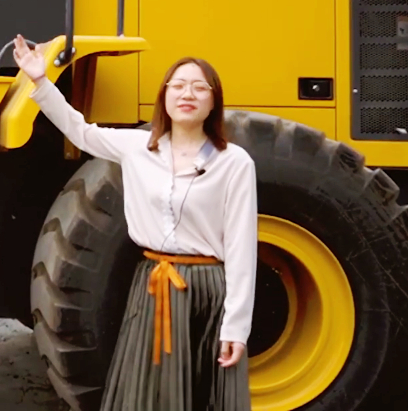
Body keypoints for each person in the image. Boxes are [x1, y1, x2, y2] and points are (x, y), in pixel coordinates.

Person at [13, 35, 257, 411]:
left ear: (213, 101)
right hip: (153, 285)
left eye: (199, 87)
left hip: (207, 291)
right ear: (164, 97)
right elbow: (80, 131)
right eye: (178, 85)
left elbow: (242, 251)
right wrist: (40, 81)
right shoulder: (137, 148)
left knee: (204, 393)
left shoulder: (235, 163)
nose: (187, 94)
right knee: (148, 393)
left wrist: (236, 328)